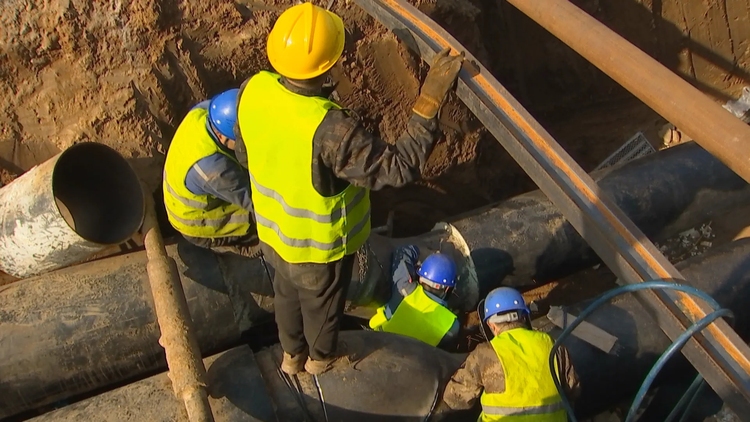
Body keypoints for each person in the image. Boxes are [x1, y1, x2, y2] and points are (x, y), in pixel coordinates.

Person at [233, 2, 464, 376]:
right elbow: (398, 168)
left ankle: (291, 357)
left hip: (273, 234)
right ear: (327, 66)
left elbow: (244, 153)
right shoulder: (329, 129)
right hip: (318, 247)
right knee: (322, 308)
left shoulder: (253, 89)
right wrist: (430, 100)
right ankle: (321, 361)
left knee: (286, 295)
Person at [438, 287, 579, 421]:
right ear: (523, 317)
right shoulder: (552, 344)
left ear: (491, 325)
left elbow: (456, 398)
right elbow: (573, 389)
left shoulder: (486, 353)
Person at [162, 89, 257, 255]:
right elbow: (258, 202)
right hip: (199, 223)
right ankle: (247, 249)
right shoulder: (216, 170)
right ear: (223, 137)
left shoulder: (205, 112)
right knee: (264, 225)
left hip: (189, 190)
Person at [369, 245, 460, 350]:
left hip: (376, 343)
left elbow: (403, 251)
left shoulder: (406, 289)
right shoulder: (452, 325)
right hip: (412, 362)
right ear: (448, 289)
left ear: (421, 279)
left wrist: (422, 253)